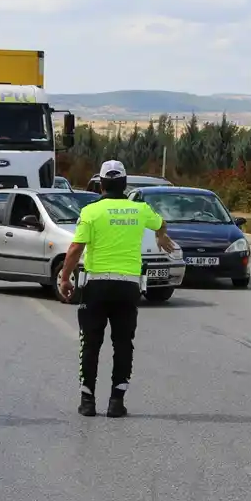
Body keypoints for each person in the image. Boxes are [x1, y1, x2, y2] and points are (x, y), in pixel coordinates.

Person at [59, 160, 175, 419]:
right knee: (123, 344)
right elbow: (161, 223)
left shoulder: (91, 212)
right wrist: (160, 235)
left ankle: (87, 402)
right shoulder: (139, 210)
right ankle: (116, 402)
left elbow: (76, 249)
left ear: (100, 185)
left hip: (96, 286)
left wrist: (65, 278)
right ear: (124, 184)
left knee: (90, 344)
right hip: (128, 287)